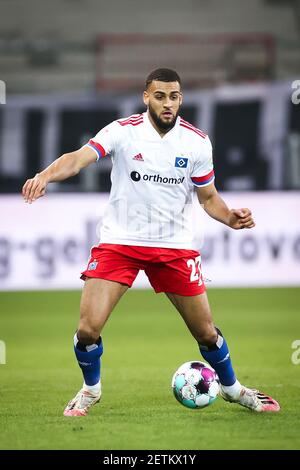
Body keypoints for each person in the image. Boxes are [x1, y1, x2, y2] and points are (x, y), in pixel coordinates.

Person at [22, 68, 280, 417]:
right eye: (160, 96)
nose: (168, 103)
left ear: (181, 99)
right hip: (120, 243)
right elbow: (78, 158)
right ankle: (90, 390)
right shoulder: (122, 132)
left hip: (173, 247)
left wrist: (230, 217)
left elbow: (208, 198)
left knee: (206, 333)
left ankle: (234, 390)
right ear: (146, 97)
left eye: (174, 96)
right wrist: (45, 175)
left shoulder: (197, 142)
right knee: (87, 330)